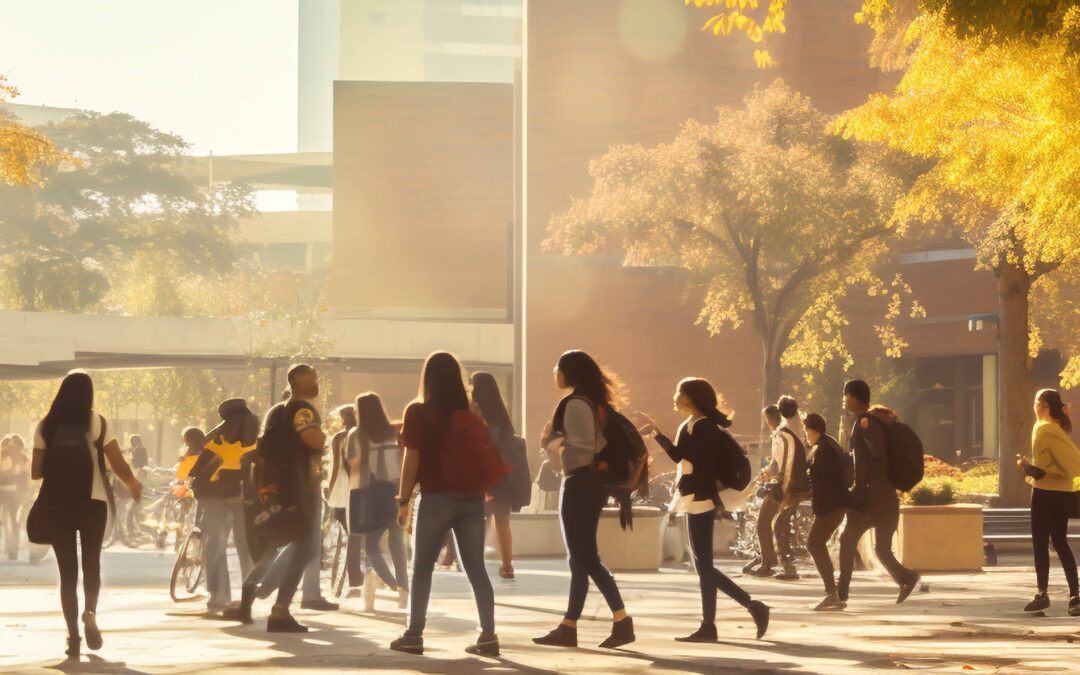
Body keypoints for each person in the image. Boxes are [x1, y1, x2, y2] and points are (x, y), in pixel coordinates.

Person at [635, 378, 770, 641]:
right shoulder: (690, 425)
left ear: (692, 397)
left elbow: (700, 462)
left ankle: (750, 607)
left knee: (703, 565)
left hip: (702, 497)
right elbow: (680, 456)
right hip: (691, 496)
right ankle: (714, 623)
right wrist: (656, 432)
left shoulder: (705, 427)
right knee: (702, 565)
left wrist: (659, 435)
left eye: (680, 392)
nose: (675, 396)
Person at [390, 351, 504, 657]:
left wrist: (403, 500)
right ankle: (489, 636)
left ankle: (414, 635)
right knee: (476, 569)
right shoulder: (469, 415)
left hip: (436, 498)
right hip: (470, 500)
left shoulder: (417, 411)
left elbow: (411, 458)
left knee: (422, 569)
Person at [31, 371, 142, 658]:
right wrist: (133, 485)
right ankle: (90, 612)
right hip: (94, 502)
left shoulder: (46, 425)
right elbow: (118, 464)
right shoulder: (98, 422)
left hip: (57, 504)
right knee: (92, 564)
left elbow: (35, 473)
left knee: (67, 574)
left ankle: (73, 638)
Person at [533, 350, 634, 650]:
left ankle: (622, 620)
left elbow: (582, 449)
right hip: (590, 483)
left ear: (569, 372)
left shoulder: (575, 403)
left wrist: (551, 446)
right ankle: (569, 626)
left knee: (585, 557)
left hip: (580, 482)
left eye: (558, 368)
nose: (555, 373)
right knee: (579, 557)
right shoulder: (594, 403)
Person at [238, 364, 328, 632]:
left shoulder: (275, 411)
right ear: (299, 384)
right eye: (311, 379)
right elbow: (314, 440)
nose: (315, 384)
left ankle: (249, 592)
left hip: (275, 488)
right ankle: (279, 610)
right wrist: (326, 436)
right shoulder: (302, 410)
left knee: (278, 544)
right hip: (298, 490)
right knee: (306, 547)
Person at [836, 379, 920, 605]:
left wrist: (863, 485)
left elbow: (876, 456)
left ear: (853, 396)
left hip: (872, 497)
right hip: (885, 497)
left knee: (847, 540)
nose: (844, 400)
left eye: (845, 396)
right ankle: (907, 578)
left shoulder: (864, 422)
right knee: (882, 549)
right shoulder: (871, 421)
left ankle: (840, 593)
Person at [1017, 389, 1080, 616]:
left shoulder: (1043, 428)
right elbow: (1061, 462)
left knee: (1041, 545)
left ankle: (1043, 594)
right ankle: (1074, 596)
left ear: (1042, 405)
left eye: (1035, 402)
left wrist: (1031, 469)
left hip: (1045, 494)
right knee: (1060, 543)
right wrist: (1032, 468)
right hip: (1062, 494)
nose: (1033, 406)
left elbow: (1054, 469)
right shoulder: (1056, 429)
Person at [192, 399, 258, 616]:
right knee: (246, 547)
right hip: (242, 495)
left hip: (212, 496)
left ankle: (218, 596)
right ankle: (248, 596)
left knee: (216, 546)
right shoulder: (254, 432)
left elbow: (197, 470)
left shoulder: (215, 435)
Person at [350, 392, 409, 610]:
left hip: (370, 494)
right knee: (397, 545)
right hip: (395, 491)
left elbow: (354, 467)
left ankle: (392, 584)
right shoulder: (394, 432)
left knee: (371, 545)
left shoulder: (358, 435)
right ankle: (404, 589)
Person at [470, 372, 523, 580]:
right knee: (503, 522)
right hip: (503, 476)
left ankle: (476, 564)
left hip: (481, 475)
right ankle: (507, 565)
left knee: (478, 522)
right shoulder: (502, 413)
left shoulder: (475, 412)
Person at [804, 413, 851, 611]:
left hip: (831, 507)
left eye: (806, 430)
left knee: (814, 543)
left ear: (812, 430)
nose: (806, 435)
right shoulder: (828, 444)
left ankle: (832, 593)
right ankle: (834, 592)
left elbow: (823, 483)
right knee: (816, 543)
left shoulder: (824, 450)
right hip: (835, 505)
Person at [743, 405, 783, 576]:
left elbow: (779, 463)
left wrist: (769, 473)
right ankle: (769, 559)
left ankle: (768, 562)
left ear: (770, 419)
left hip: (779, 487)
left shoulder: (781, 435)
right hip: (778, 483)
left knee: (763, 523)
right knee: (767, 523)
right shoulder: (781, 434)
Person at [327, 405, 362, 597]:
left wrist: (331, 488)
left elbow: (335, 467)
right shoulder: (361, 435)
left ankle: (345, 580)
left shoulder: (339, 438)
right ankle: (354, 578)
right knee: (355, 535)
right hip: (357, 486)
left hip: (342, 488)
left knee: (346, 536)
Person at [0, 434, 31, 560]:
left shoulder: (24, 459)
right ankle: (11, 548)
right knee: (10, 520)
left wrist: (28, 491)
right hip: (3, 491)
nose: (13, 449)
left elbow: (28, 477)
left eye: (16, 446)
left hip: (17, 493)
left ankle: (13, 549)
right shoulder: (3, 458)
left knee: (14, 520)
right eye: (10, 446)